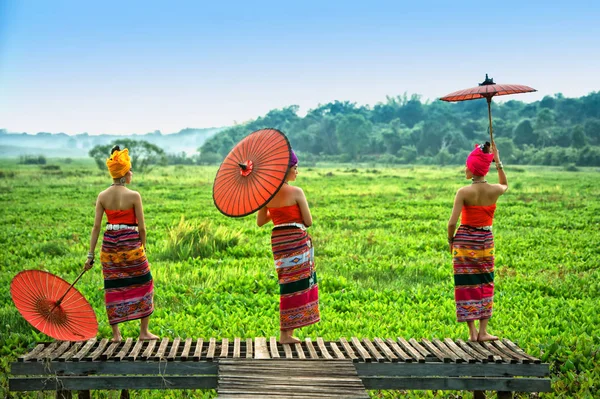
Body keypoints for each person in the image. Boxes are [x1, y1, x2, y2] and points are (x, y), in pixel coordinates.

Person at [85, 145, 158, 342]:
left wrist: (90, 256)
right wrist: (142, 247)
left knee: (113, 286)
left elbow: (96, 228)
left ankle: (116, 335)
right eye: (130, 170)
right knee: (145, 281)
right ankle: (144, 332)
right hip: (130, 245)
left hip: (109, 245)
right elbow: (142, 227)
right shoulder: (134, 196)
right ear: (125, 174)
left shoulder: (102, 196)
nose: (132, 173)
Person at [256, 150, 320, 344]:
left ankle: (287, 333)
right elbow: (308, 221)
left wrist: (276, 211)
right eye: (295, 168)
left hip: (279, 242)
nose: (297, 172)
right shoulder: (297, 192)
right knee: (298, 283)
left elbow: (261, 221)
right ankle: (285, 334)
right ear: (286, 171)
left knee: (287, 284)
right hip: (295, 240)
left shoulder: (267, 194)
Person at [448, 141, 507, 342]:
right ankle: (483, 332)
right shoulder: (495, 190)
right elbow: (505, 184)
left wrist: (451, 241)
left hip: (464, 241)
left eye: (467, 165)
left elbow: (451, 223)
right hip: (485, 241)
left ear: (472, 168)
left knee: (466, 284)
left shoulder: (463, 192)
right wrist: (498, 162)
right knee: (485, 282)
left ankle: (472, 332)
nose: (465, 168)